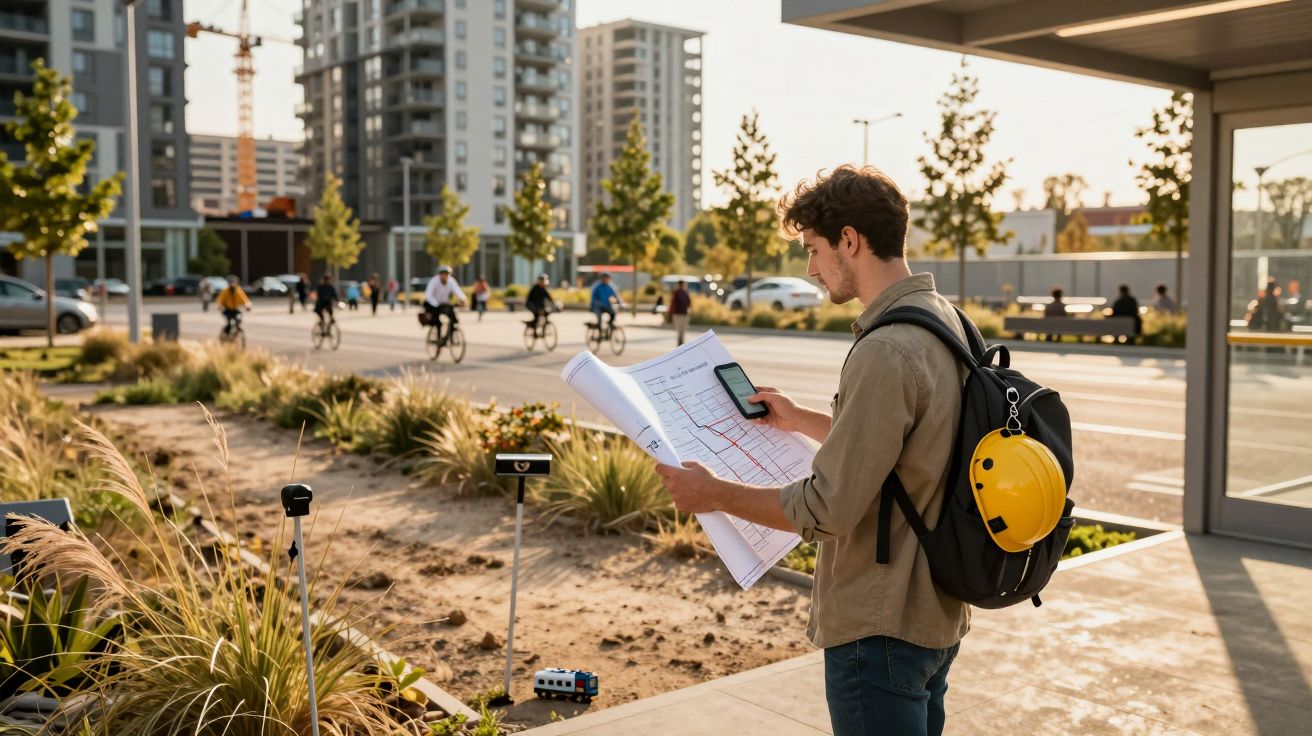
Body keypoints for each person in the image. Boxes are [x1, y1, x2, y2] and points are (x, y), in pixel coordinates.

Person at [655, 165, 971, 736]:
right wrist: (803, 420)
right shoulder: (946, 321)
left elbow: (827, 509)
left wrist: (713, 494)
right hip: (935, 611)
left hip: (879, 626)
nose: (810, 268)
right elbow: (913, 448)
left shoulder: (887, 349)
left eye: (814, 249)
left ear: (849, 240)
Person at [424, 265, 468, 345]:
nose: (445, 276)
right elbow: (428, 296)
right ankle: (438, 338)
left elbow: (457, 290)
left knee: (454, 319)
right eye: (443, 274)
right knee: (438, 322)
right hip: (433, 304)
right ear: (439, 274)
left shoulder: (451, 281)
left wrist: (463, 299)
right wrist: (436, 304)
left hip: (444, 303)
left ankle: (451, 338)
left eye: (447, 274)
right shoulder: (434, 281)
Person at [670, 279, 692, 346]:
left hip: (679, 314)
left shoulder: (679, 292)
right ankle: (680, 344)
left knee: (680, 330)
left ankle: (680, 344)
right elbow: (689, 303)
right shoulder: (682, 293)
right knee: (681, 330)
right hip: (680, 314)